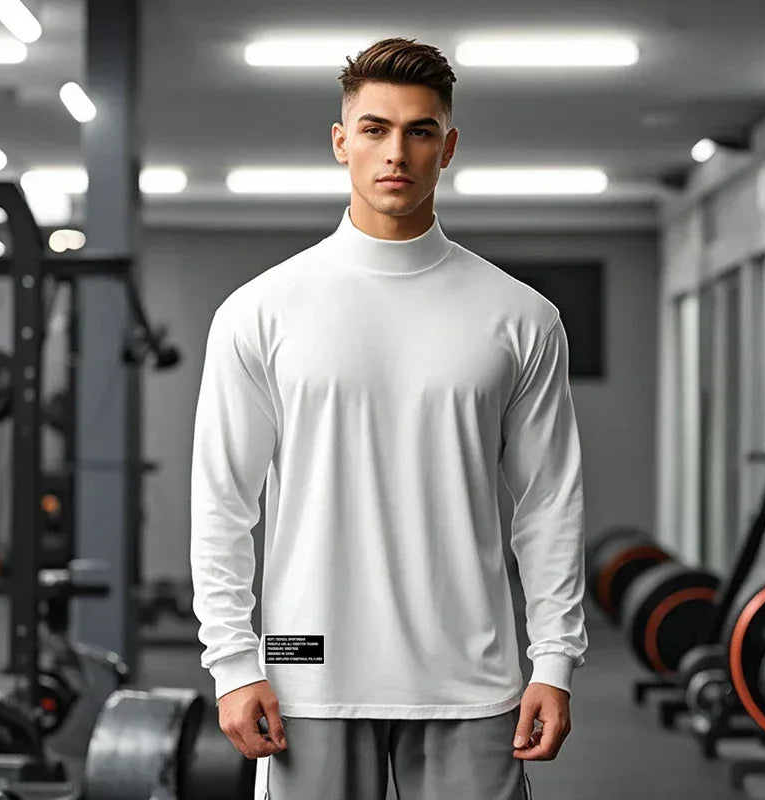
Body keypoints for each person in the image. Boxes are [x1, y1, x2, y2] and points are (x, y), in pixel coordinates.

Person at [190, 36, 588, 800]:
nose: (395, 151)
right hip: (307, 675)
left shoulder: (521, 318)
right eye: (374, 128)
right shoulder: (260, 312)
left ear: (450, 146)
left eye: (419, 130)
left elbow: (548, 504)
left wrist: (555, 660)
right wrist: (234, 663)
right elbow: (223, 503)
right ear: (342, 142)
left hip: (472, 679)